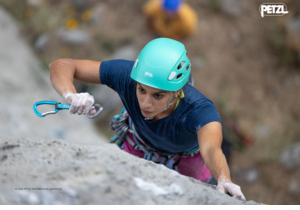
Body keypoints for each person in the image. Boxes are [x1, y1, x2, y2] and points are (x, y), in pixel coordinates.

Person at [49, 38, 246, 201]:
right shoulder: (128, 76)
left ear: (178, 91)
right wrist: (71, 95)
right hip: (140, 142)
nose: (145, 103)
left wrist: (224, 178)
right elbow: (62, 65)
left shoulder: (200, 110)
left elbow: (211, 148)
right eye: (141, 90)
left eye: (158, 96)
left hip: (187, 156)